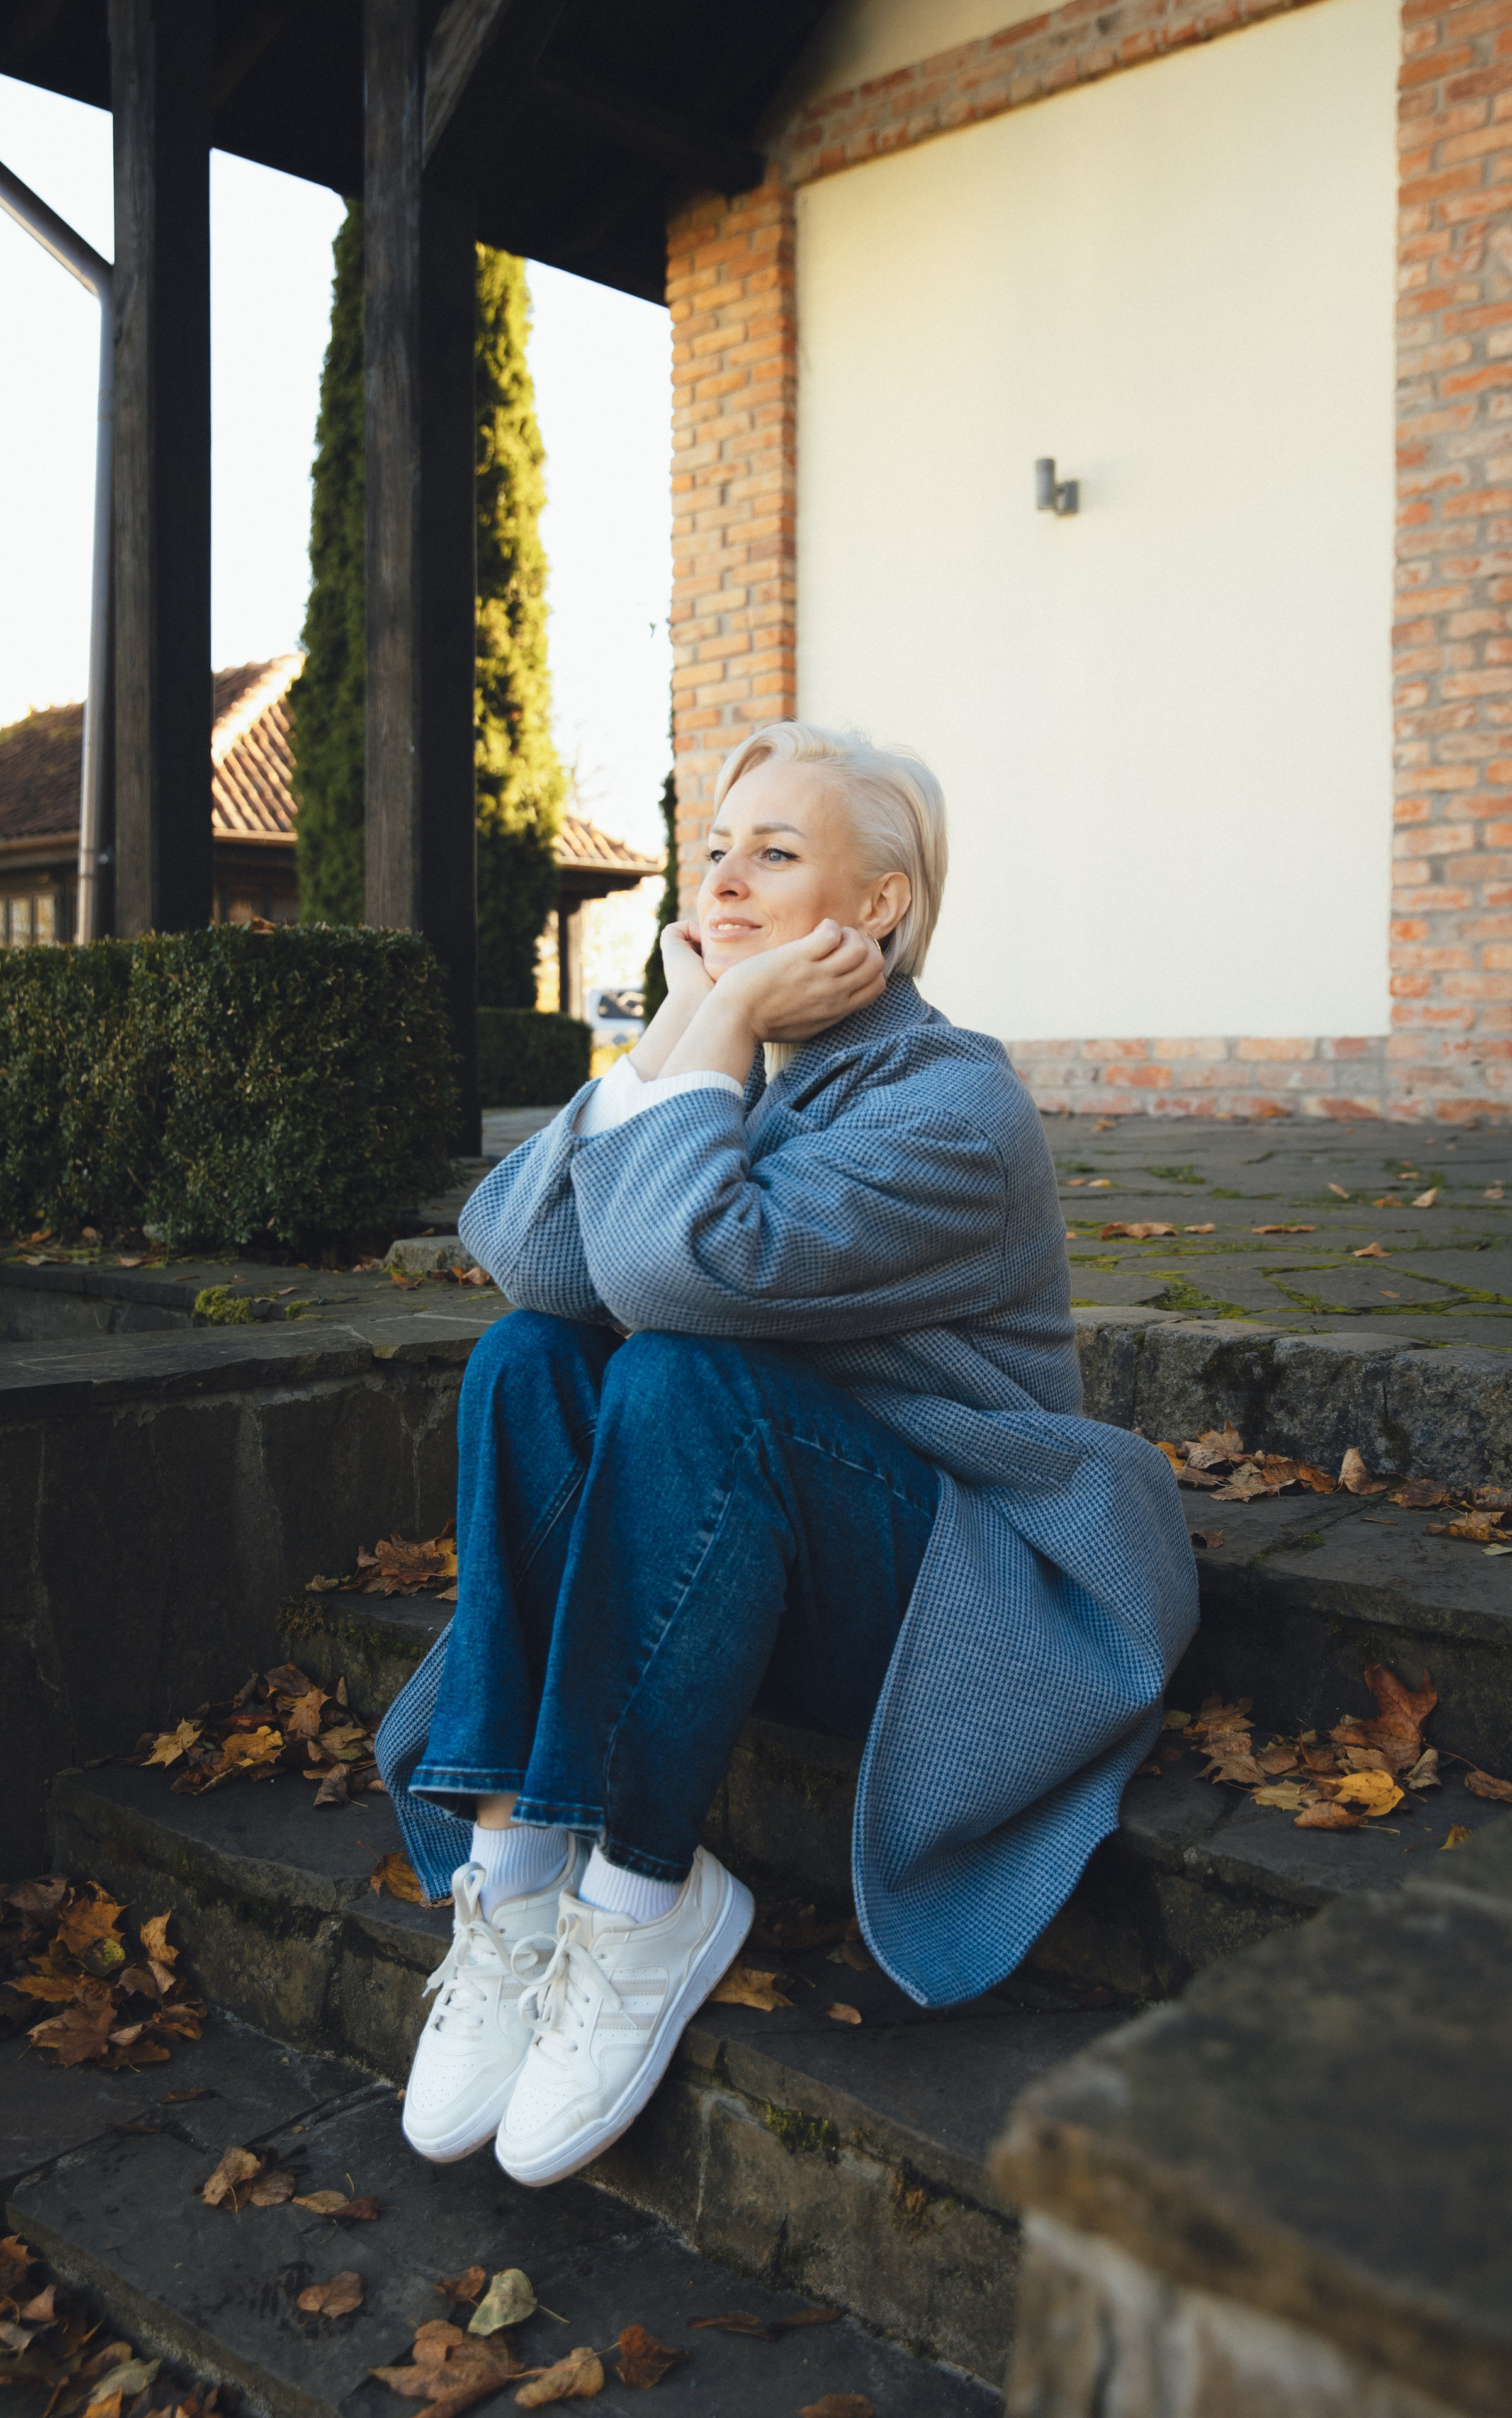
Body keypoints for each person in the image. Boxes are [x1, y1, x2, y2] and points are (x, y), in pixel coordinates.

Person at [376, 720, 1197, 2191]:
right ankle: (513, 1875)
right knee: (522, 1359)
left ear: (878, 904)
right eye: (713, 847)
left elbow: (686, 1276)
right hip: (735, 1549)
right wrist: (686, 1035)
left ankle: (639, 1897)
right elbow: (525, 1258)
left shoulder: (950, 1103)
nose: (725, 875)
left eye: (775, 850)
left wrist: (723, 1023)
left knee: (688, 1373)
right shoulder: (728, 1057)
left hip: (928, 1583)